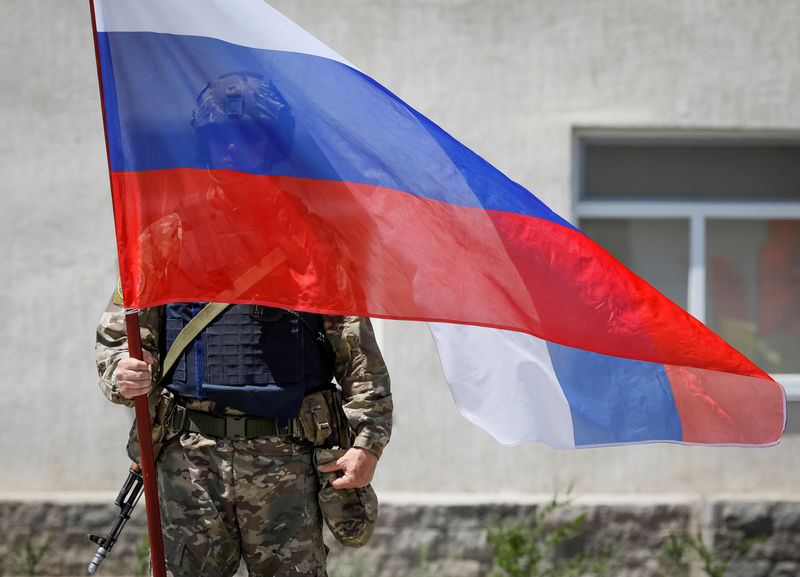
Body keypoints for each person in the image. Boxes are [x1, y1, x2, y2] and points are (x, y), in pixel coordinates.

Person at [95, 72, 392, 577]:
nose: (235, 148)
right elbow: (118, 341)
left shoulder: (315, 243)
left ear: (274, 144)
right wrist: (122, 374)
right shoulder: (166, 239)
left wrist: (368, 443)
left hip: (286, 464)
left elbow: (359, 355)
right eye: (221, 137)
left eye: (252, 135)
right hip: (190, 463)